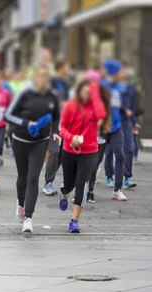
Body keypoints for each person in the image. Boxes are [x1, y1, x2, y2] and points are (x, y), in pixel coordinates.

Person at [5, 65, 61, 234]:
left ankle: (28, 218)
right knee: (23, 176)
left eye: (46, 76)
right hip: (21, 139)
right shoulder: (25, 93)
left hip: (40, 140)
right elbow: (8, 115)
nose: (43, 80)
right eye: (40, 76)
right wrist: (26, 123)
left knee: (33, 177)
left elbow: (56, 116)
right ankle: (20, 203)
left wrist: (56, 133)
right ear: (35, 78)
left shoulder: (52, 96)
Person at [58, 80, 108, 233]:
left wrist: (95, 91)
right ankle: (65, 192)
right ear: (79, 92)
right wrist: (70, 138)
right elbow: (62, 128)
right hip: (69, 150)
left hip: (90, 151)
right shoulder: (70, 106)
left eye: (90, 93)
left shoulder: (95, 106)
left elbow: (102, 114)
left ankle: (74, 221)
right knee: (69, 183)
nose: (87, 95)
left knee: (81, 183)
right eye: (84, 92)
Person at [43, 59, 72, 196]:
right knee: (54, 151)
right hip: (52, 122)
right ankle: (48, 182)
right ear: (60, 68)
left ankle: (50, 176)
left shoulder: (67, 83)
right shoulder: (52, 82)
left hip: (65, 122)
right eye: (67, 67)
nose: (69, 69)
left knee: (61, 154)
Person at [100, 59, 127, 201]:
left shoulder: (119, 87)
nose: (121, 73)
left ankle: (117, 189)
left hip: (116, 127)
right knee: (95, 159)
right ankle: (87, 189)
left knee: (120, 155)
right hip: (102, 127)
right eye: (119, 70)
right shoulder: (101, 86)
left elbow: (119, 106)